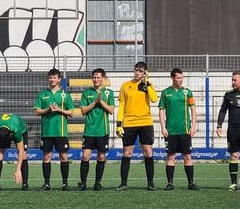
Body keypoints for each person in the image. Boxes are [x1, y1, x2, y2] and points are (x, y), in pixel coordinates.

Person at [116, 61, 158, 191]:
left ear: (145, 72)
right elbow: (122, 105)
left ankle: (150, 183)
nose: (137, 73)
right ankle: (123, 183)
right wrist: (119, 124)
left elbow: (154, 99)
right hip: (129, 123)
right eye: (136, 70)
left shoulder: (147, 85)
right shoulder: (125, 85)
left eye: (141, 71)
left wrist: (147, 83)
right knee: (127, 153)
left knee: (148, 152)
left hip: (145, 123)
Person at [34, 68, 74, 190]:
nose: (52, 79)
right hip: (47, 132)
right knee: (47, 157)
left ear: (59, 79)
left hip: (61, 131)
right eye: (50, 77)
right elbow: (37, 111)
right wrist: (48, 110)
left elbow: (71, 112)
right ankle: (46, 184)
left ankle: (65, 183)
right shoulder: (42, 94)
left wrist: (59, 110)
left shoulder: (65, 95)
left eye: (54, 77)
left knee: (63, 156)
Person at [158, 68, 199, 190]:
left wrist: (193, 126)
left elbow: (193, 109)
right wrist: (163, 127)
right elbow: (161, 110)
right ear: (172, 78)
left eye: (182, 78)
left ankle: (191, 183)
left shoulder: (187, 92)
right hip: (171, 131)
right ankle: (170, 183)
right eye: (178, 78)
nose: (181, 80)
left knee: (187, 156)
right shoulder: (166, 92)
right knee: (171, 156)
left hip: (185, 130)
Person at [78, 68, 116, 191]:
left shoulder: (108, 93)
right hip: (89, 130)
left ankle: (97, 183)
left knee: (101, 157)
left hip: (102, 131)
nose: (96, 79)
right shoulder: (86, 93)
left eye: (98, 77)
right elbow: (83, 111)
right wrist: (95, 102)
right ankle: (83, 183)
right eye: (94, 77)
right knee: (85, 156)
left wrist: (101, 102)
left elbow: (111, 110)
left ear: (103, 79)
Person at [0, 112, 29, 191]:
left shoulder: (16, 130)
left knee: (23, 154)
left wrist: (18, 170)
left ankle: (25, 183)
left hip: (21, 129)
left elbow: (20, 151)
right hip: (7, 126)